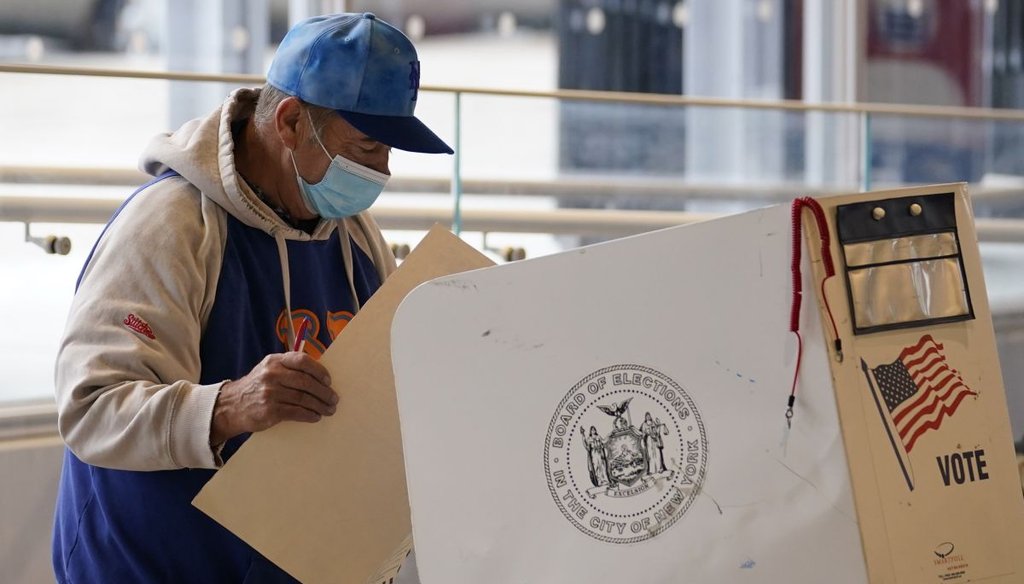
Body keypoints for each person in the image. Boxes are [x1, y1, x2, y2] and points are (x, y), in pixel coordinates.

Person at [51, 13, 451, 583]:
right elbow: (90, 409)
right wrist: (228, 406)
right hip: (152, 567)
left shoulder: (354, 236)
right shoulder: (172, 226)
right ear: (289, 122)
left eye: (387, 151)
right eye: (365, 146)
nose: (381, 170)